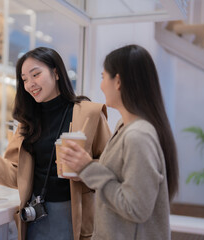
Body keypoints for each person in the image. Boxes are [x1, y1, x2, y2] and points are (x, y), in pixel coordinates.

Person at [0, 47, 111, 240]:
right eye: (24, 79)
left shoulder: (90, 114)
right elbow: (15, 176)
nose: (30, 84)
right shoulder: (27, 124)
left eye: (36, 74)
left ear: (56, 72)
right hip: (36, 219)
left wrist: (85, 169)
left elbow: (111, 170)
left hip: (77, 218)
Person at [59, 44, 179, 240]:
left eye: (103, 77)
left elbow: (135, 208)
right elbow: (120, 176)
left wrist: (88, 168)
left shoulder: (138, 136)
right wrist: (82, 168)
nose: (101, 85)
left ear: (118, 81)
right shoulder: (124, 125)